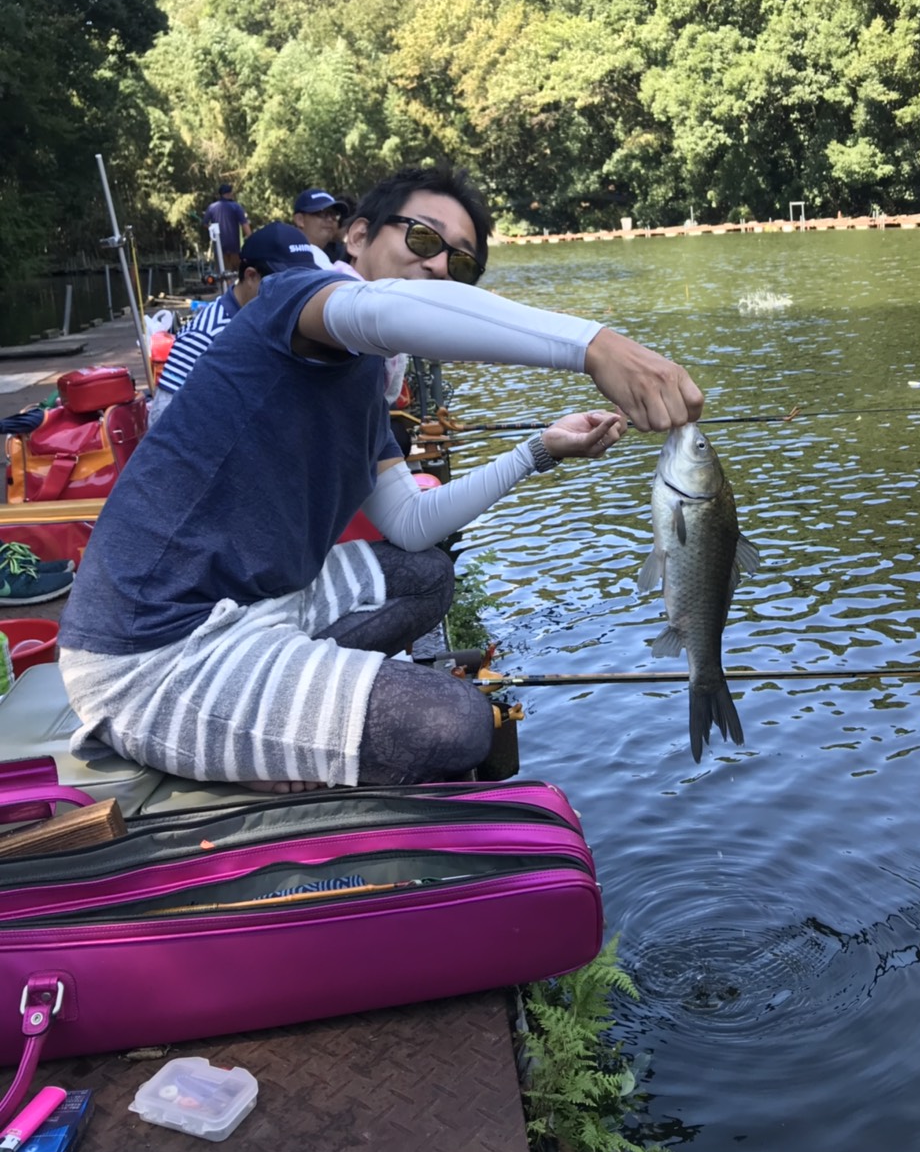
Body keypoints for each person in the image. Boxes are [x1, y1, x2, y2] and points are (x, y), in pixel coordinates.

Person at [58, 167, 703, 793]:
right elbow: (378, 311)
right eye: (421, 239)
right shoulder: (300, 302)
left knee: (429, 576)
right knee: (458, 724)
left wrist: (540, 450)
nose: (439, 266)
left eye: (462, 264)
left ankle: (287, 708)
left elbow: (411, 525)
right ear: (358, 238)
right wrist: (594, 345)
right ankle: (258, 725)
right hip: (153, 650)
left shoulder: (367, 380)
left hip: (263, 607)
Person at [148, 224, 322, 427]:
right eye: (287, 284)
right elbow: (160, 418)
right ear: (251, 276)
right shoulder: (205, 336)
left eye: (304, 284)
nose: (296, 294)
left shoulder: (275, 319)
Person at [203, 183, 251, 272]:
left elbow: (205, 223)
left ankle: (225, 285)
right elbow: (244, 224)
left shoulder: (211, 208)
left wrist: (212, 229)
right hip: (234, 247)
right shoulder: (236, 207)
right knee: (236, 273)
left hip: (219, 248)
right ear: (228, 194)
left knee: (223, 274)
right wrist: (252, 239)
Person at [292, 188, 349, 262]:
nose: (330, 219)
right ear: (300, 220)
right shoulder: (282, 252)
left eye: (334, 215)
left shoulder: (341, 255)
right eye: (322, 213)